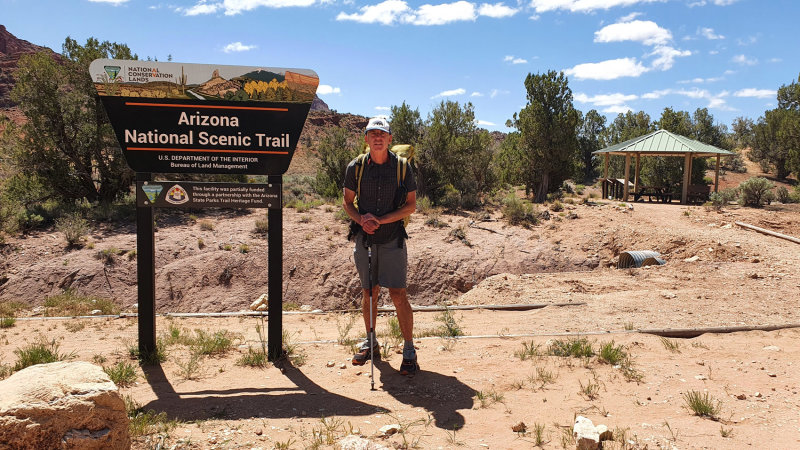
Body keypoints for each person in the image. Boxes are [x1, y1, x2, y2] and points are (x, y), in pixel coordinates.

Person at [342, 117, 418, 376]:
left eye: (382, 134)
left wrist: (381, 220)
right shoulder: (356, 167)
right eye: (372, 133)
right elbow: (347, 203)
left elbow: (410, 205)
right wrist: (361, 220)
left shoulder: (402, 168)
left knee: (398, 294)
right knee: (369, 292)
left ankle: (409, 349)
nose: (377, 138)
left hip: (392, 238)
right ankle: (371, 341)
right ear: (366, 139)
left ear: (389, 139)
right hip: (365, 239)